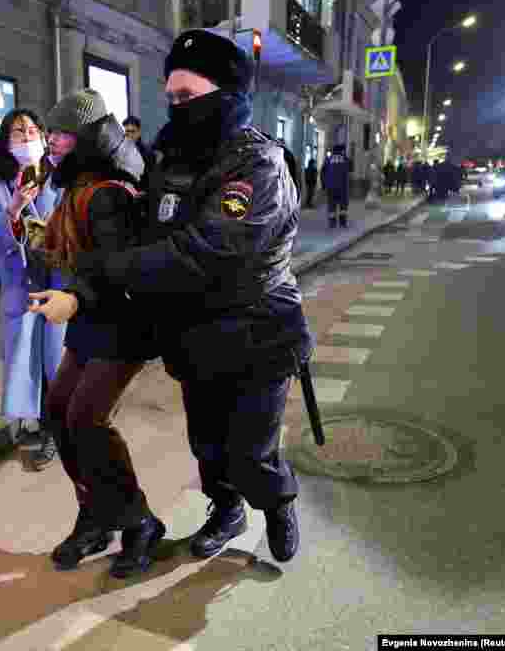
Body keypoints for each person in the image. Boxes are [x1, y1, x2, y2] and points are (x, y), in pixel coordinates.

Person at [42, 30, 314, 565]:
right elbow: (150, 225)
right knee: (209, 444)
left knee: (251, 449)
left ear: (227, 93)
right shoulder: (172, 156)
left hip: (258, 330)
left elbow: (206, 250)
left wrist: (109, 264)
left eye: (186, 96)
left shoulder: (257, 163)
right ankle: (226, 510)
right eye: (170, 97)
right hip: (196, 333)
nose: (175, 106)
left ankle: (276, 503)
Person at [28, 89, 164, 580]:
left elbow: (118, 270)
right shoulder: (79, 183)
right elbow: (86, 255)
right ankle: (95, 515)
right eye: (51, 134)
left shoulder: (109, 191)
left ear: (84, 137)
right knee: (60, 413)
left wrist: (75, 297)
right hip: (92, 319)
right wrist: (44, 241)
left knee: (86, 418)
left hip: (124, 323)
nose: (52, 143)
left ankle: (140, 522)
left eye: (60, 135)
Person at [0, 109, 65, 471]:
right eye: (18, 132)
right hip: (22, 285)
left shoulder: (60, 180)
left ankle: (60, 430)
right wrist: (13, 207)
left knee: (57, 362)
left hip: (59, 283)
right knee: (27, 360)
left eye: (32, 130)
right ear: (6, 143)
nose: (27, 137)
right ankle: (40, 424)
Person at [321, 143, 352, 228]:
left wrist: (324, 184)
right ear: (342, 151)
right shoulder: (345, 159)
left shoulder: (328, 159)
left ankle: (332, 223)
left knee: (331, 205)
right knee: (343, 206)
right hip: (343, 187)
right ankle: (342, 223)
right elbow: (351, 168)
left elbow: (322, 172)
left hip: (331, 187)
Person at [123, 115, 156, 192]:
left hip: (140, 197)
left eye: (133, 131)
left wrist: (143, 192)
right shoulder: (120, 152)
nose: (130, 135)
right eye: (127, 131)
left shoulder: (147, 154)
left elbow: (151, 182)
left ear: (138, 132)